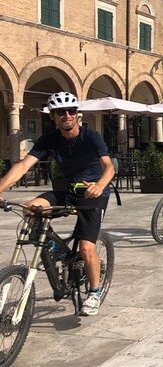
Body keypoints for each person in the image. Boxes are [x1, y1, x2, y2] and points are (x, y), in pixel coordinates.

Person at [0, 92, 115, 316]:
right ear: (53, 116)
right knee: (29, 207)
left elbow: (109, 166)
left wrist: (100, 185)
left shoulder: (91, 136)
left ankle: (94, 292)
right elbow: (24, 166)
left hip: (93, 194)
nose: (67, 115)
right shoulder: (50, 139)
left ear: (77, 114)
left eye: (71, 111)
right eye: (61, 112)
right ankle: (54, 248)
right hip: (68, 190)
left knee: (86, 247)